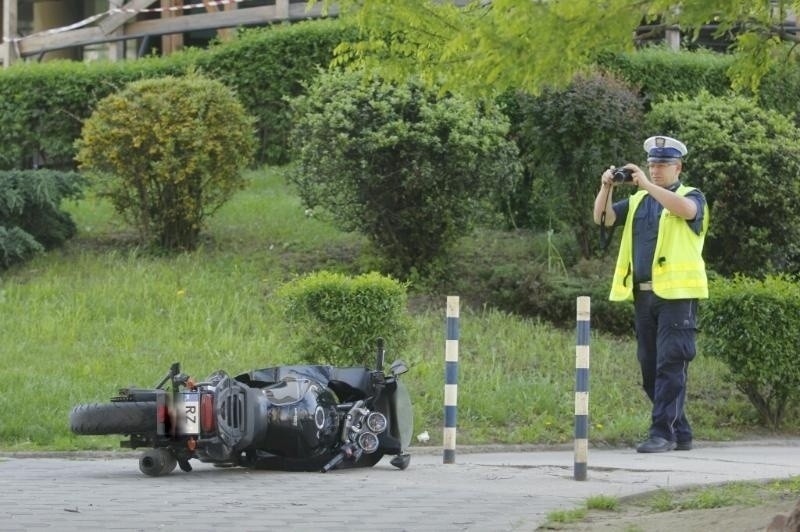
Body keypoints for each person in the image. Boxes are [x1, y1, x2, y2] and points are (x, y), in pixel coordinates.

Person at [593, 135, 709, 453]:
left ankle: (662, 433)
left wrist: (646, 185)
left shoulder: (691, 195)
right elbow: (602, 218)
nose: (655, 170)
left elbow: (686, 211)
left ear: (678, 167)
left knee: (670, 364)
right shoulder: (637, 202)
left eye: (662, 165)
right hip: (644, 296)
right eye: (652, 165)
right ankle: (680, 430)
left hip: (677, 296)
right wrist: (607, 187)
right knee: (649, 366)